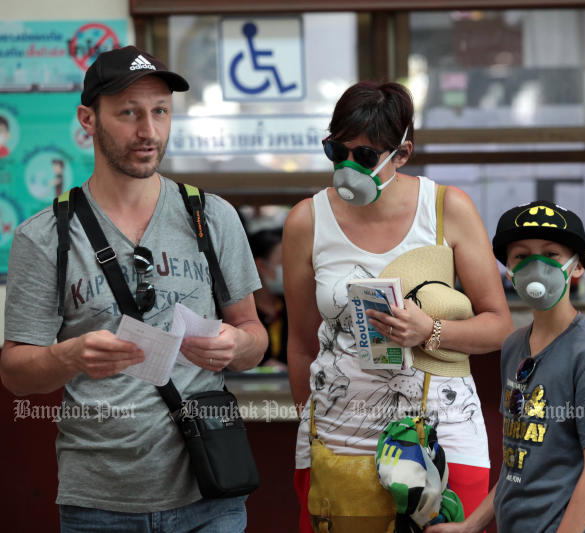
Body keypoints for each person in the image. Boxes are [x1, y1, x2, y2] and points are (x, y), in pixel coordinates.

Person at [0, 45, 268, 531]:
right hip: (99, 503)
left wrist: (237, 345)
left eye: (160, 112)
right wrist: (71, 356)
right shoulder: (45, 236)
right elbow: (16, 372)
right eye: (129, 113)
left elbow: (253, 337)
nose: (149, 131)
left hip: (211, 491)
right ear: (88, 118)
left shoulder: (211, 217)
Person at [283, 80, 514, 532]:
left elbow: (501, 325)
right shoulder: (307, 221)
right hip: (339, 435)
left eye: (366, 156)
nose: (348, 166)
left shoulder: (447, 208)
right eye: (337, 152)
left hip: (440, 431)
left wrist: (430, 331)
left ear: (402, 154)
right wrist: (312, 421)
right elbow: (300, 343)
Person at [428, 200, 585, 533]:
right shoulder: (514, 346)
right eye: (522, 256)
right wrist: (470, 526)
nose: (537, 265)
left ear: (578, 267)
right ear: (508, 269)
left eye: (551, 255)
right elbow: (516, 458)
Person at [249, 228, 288, 369]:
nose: (291, 268)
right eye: (284, 261)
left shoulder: (294, 309)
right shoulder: (241, 312)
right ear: (260, 266)